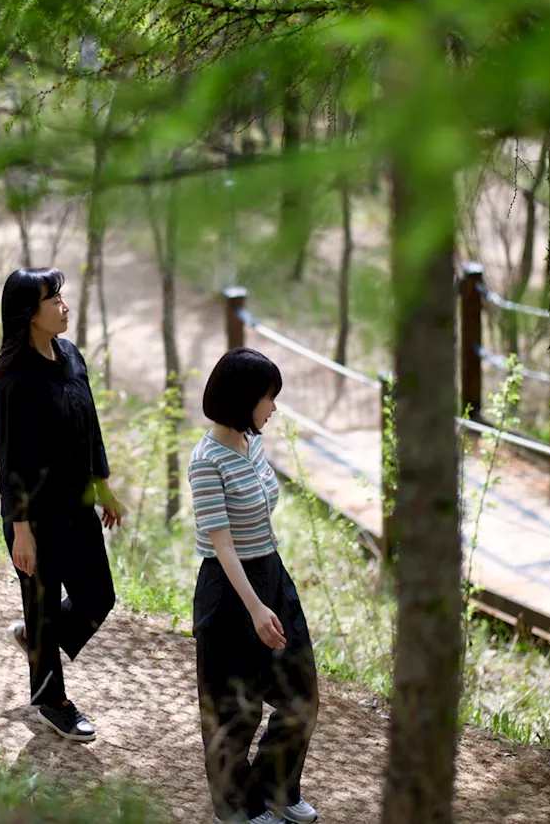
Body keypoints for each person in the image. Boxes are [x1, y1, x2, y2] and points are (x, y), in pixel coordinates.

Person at [0, 266, 124, 743]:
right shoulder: (12, 379)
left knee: (98, 597)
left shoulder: (70, 355)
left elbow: (89, 426)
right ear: (30, 313)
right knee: (43, 608)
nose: (63, 306)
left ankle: (35, 641)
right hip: (34, 517)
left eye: (62, 297)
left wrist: (102, 485)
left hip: (77, 506)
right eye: (54, 300)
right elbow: (11, 461)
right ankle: (52, 700)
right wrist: (20, 529)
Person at [188, 348, 319, 824]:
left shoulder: (251, 441)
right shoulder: (206, 461)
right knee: (233, 710)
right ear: (244, 399)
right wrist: (256, 609)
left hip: (271, 573)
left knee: (301, 691)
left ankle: (276, 788)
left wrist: (271, 598)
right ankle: (235, 808)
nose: (274, 408)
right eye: (269, 398)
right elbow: (221, 545)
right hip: (229, 590)